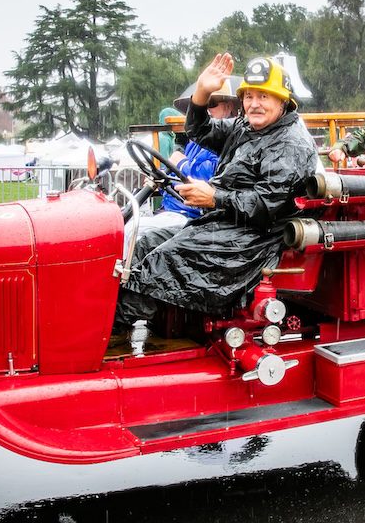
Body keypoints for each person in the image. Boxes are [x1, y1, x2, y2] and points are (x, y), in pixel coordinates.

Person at [112, 53, 317, 341]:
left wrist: (215, 198)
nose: (254, 104)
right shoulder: (247, 128)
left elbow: (266, 204)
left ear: (283, 101)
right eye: (249, 96)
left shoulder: (290, 144)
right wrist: (202, 93)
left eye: (264, 96)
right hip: (224, 226)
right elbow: (201, 130)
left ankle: (106, 334)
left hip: (253, 241)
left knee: (162, 261)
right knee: (145, 243)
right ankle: (126, 327)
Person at [132, 78, 240, 263]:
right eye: (202, 104)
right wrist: (161, 180)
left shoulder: (232, 140)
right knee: (124, 228)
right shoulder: (195, 142)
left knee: (135, 235)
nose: (206, 109)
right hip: (172, 211)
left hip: (195, 219)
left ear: (229, 106)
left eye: (212, 103)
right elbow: (177, 179)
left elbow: (210, 178)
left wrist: (180, 164)